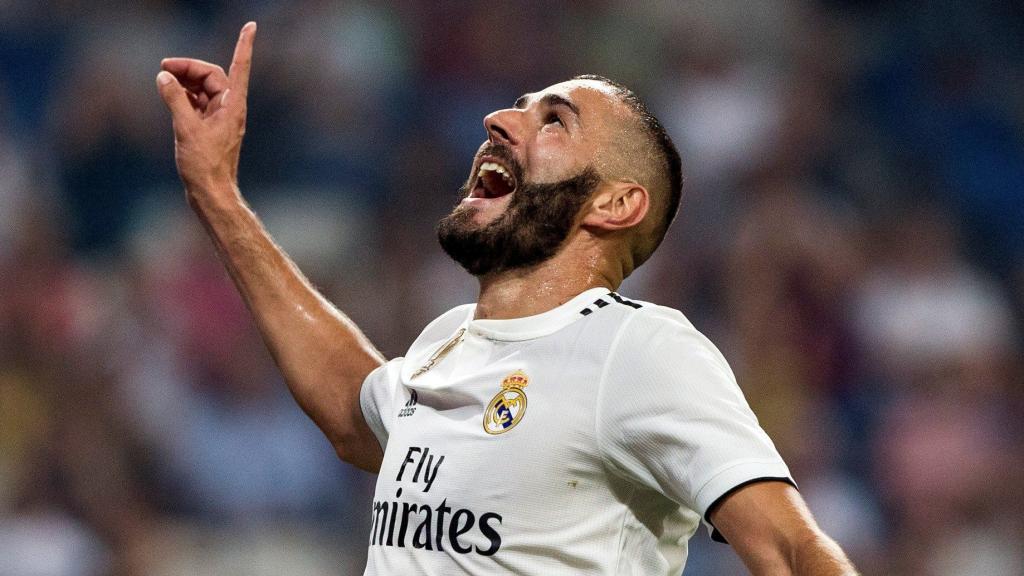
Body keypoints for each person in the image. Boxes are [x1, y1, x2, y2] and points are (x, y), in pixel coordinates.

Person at [156, 22, 858, 576]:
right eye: (517, 107)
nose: (497, 119)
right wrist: (216, 192)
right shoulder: (447, 339)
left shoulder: (638, 348)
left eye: (553, 121)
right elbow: (353, 412)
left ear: (615, 203)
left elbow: (792, 549)